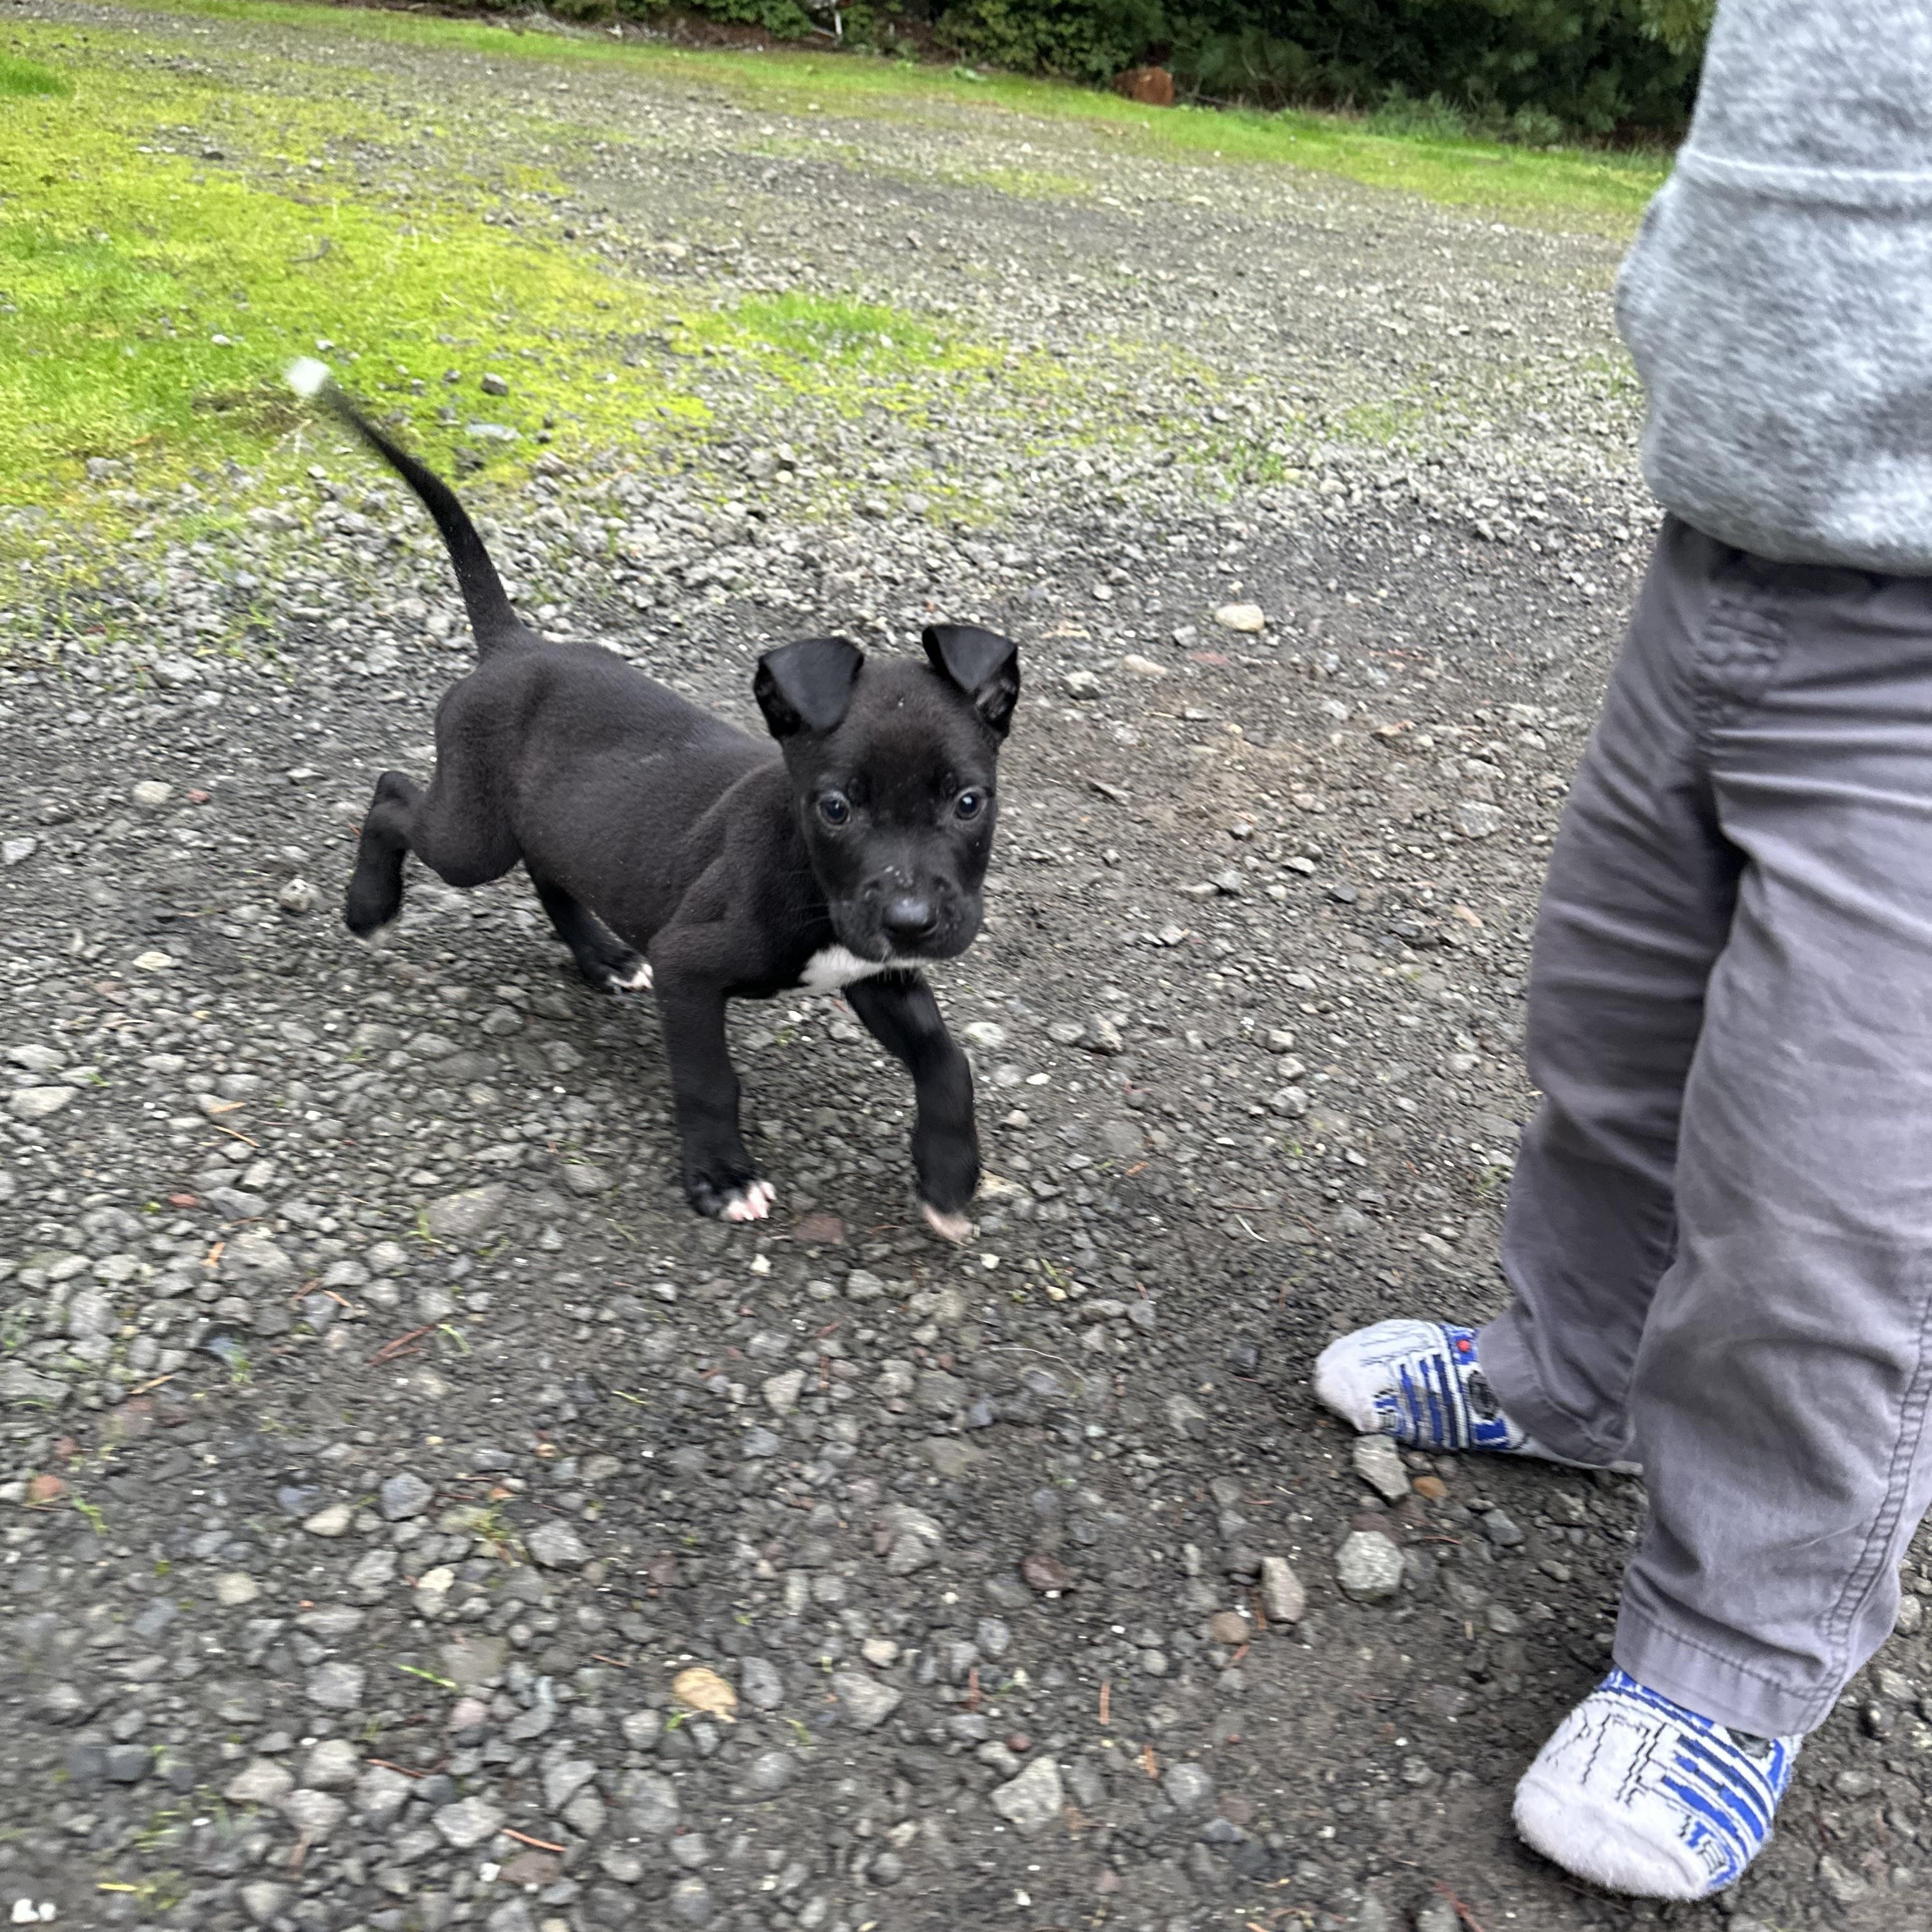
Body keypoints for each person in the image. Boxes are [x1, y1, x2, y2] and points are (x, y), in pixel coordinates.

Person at [1314, 0, 1932, 1903]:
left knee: (1822, 1189)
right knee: (1612, 1037)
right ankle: (1572, 1381)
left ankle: (1738, 1644)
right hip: (1719, 552)